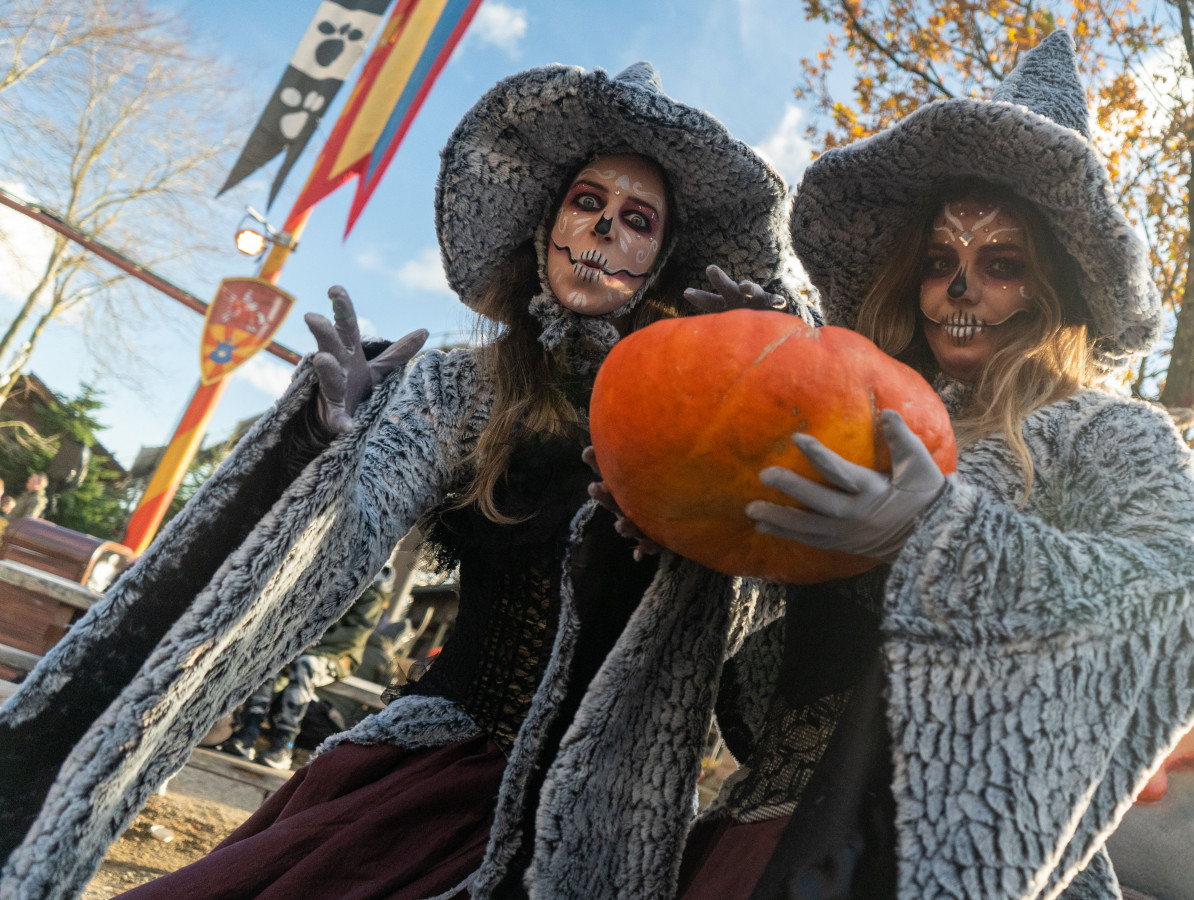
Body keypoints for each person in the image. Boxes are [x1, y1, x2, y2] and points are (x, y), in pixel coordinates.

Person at [0, 60, 798, 900]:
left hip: (601, 828)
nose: (603, 230)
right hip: (436, 789)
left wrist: (763, 398)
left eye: (636, 220)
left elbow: (757, 602)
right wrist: (319, 445)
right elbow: (347, 531)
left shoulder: (703, 421)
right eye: (587, 204)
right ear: (547, 226)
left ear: (663, 259)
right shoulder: (466, 388)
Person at [667, 31, 1194, 899]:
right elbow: (749, 576)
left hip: (956, 859)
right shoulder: (865, 405)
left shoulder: (1109, 434)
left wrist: (943, 537)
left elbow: (1187, 607)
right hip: (755, 839)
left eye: (999, 265)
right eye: (940, 264)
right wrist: (743, 384)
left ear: (1054, 292)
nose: (958, 291)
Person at [218, 571, 392, 769]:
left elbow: (351, 637)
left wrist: (301, 649)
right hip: (304, 649)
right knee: (271, 660)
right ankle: (247, 734)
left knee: (305, 666)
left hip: (337, 656)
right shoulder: (330, 575)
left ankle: (283, 746)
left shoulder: (371, 593)